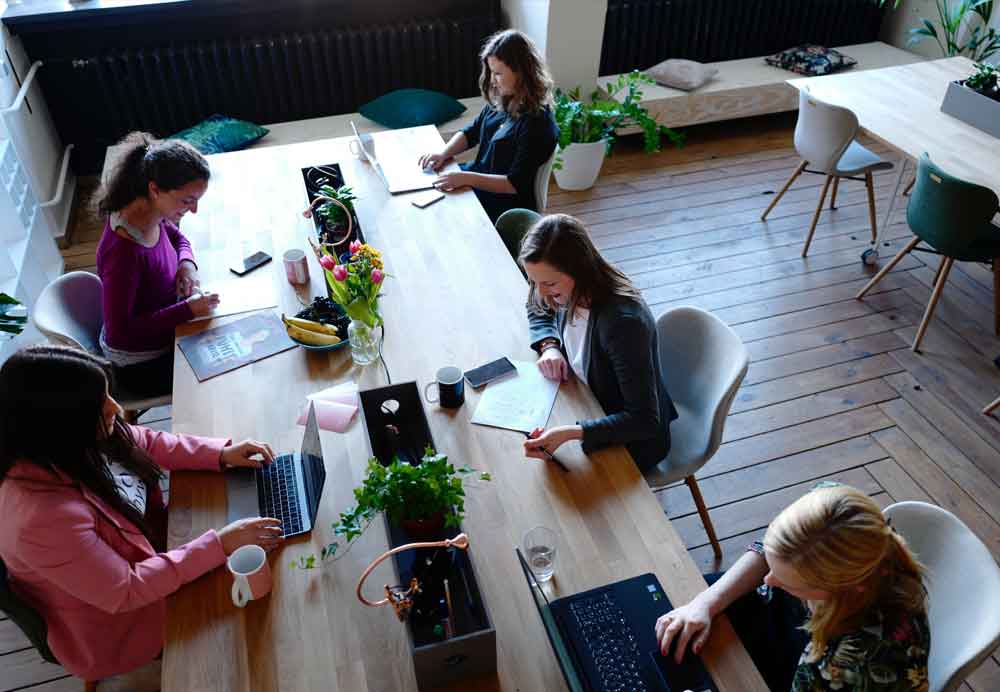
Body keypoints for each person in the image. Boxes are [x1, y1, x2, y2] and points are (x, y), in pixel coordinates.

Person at [0, 346, 282, 682]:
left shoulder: (75, 438)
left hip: (159, 553)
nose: (116, 408)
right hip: (122, 626)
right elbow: (126, 590)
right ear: (58, 424)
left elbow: (143, 440)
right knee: (259, 641)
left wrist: (220, 454)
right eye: (99, 404)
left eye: (106, 393)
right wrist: (219, 544)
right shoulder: (40, 520)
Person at [655, 484, 930, 692]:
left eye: (787, 582)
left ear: (842, 588)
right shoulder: (829, 505)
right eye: (773, 566)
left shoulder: (854, 665)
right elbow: (770, 550)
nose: (769, 580)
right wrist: (706, 602)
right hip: (788, 627)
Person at [519, 214, 678, 472]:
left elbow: (644, 421)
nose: (541, 292)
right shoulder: (564, 288)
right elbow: (536, 306)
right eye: (534, 282)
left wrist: (572, 433)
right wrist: (549, 346)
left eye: (549, 283)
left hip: (631, 440)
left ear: (579, 270)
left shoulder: (623, 324)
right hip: (586, 401)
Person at [96, 132, 220, 398]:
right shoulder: (123, 251)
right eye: (187, 200)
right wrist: (186, 310)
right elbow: (121, 331)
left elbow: (177, 237)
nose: (194, 209)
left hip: (165, 322)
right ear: (155, 189)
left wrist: (187, 264)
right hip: (139, 365)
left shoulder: (149, 210)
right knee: (223, 374)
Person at [418, 29, 559, 222]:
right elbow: (471, 133)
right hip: (479, 181)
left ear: (521, 72)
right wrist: (444, 153)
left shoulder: (538, 124)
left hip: (505, 204)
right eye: (491, 72)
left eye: (498, 73)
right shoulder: (502, 100)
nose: (492, 80)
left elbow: (513, 184)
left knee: (439, 210)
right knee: (429, 192)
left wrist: (465, 178)